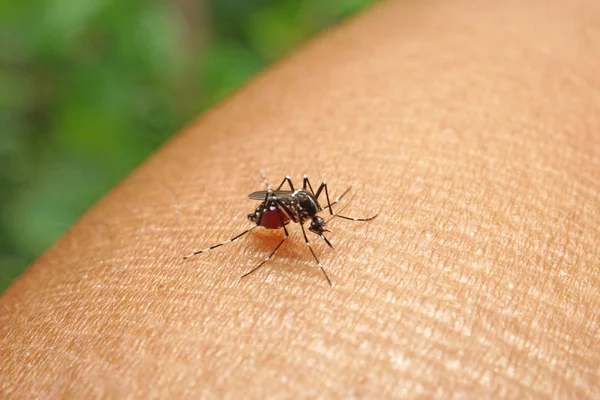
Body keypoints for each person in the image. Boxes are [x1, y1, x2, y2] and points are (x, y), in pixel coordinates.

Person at [2, 0, 598, 397]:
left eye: (311, 222)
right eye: (314, 224)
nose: (309, 224)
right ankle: (244, 242)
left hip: (286, 203)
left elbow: (304, 199)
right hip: (270, 211)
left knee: (308, 192)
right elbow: (286, 204)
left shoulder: (307, 209)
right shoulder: (285, 217)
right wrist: (276, 226)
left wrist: (321, 214)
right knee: (288, 205)